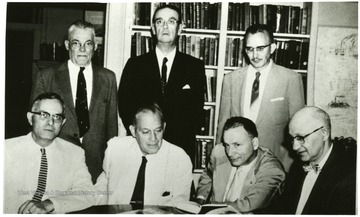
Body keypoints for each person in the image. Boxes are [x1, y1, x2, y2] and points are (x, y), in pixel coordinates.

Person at [30, 20, 118, 183]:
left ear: (96, 46)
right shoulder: (47, 76)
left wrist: (110, 168)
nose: (83, 49)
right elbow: (36, 126)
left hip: (96, 168)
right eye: (76, 43)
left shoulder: (109, 78)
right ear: (67, 45)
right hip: (56, 164)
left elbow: (111, 129)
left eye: (88, 43)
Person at [118, 4, 206, 163]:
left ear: (180, 28)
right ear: (153, 28)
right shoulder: (135, 65)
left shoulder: (194, 67)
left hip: (180, 150)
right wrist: (146, 136)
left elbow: (196, 112)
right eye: (159, 22)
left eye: (171, 21)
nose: (165, 26)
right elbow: (125, 107)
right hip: (142, 149)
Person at [216, 24, 305, 172]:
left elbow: (299, 129)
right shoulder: (231, 79)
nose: (255, 55)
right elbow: (222, 127)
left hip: (277, 165)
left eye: (260, 48)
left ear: (273, 47)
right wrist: (220, 164)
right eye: (249, 49)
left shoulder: (291, 79)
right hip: (237, 164)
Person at [4, 92, 95, 214]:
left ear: (62, 123)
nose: (50, 122)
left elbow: (87, 193)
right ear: (30, 118)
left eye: (57, 117)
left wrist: (50, 203)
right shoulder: (5, 149)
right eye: (43, 115)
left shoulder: (74, 153)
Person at [95, 102, 193, 206]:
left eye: (158, 130)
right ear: (133, 131)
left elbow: (180, 204)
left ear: (164, 127)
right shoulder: (115, 149)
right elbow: (102, 187)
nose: (153, 138)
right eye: (146, 132)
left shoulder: (179, 158)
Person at [271, 106, 356, 214]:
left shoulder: (348, 177)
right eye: (292, 139)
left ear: (324, 133)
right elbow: (283, 208)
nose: (295, 147)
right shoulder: (297, 167)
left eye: (301, 138)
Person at [196, 116, 285, 213]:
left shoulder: (272, 170)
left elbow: (249, 205)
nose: (230, 153)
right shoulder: (219, 153)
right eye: (227, 145)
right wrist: (200, 200)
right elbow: (208, 175)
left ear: (254, 143)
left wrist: (208, 209)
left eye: (237, 145)